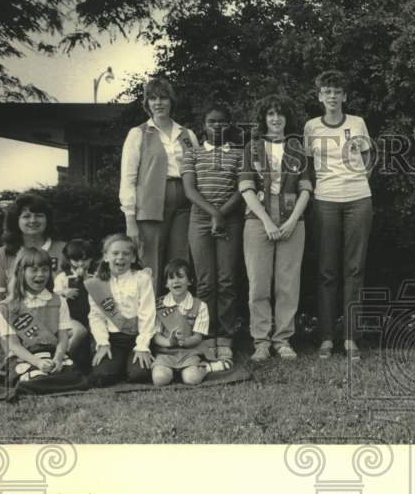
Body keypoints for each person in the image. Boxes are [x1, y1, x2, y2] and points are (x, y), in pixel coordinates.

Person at [303, 70, 373, 360]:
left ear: (345, 96)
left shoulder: (357, 123)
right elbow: (307, 166)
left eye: (337, 91)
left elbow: (369, 158)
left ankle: (351, 338)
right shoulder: (310, 127)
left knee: (354, 270)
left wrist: (359, 180)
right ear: (320, 96)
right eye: (327, 91)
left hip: (358, 199)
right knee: (327, 271)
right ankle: (327, 338)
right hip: (325, 201)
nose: (332, 96)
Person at [240, 94, 313, 361]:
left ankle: (283, 340)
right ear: (264, 118)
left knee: (288, 284)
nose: (275, 119)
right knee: (258, 284)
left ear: (286, 118)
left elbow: (306, 188)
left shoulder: (297, 148)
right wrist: (267, 221)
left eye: (280, 114)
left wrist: (292, 220)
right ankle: (261, 341)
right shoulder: (252, 147)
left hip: (293, 221)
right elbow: (246, 189)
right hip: (258, 222)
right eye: (270, 114)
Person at [119, 77, 199, 291]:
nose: (158, 103)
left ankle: (178, 317)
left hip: (185, 202)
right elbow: (128, 178)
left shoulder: (187, 134)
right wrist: (130, 219)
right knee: (150, 263)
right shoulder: (138, 134)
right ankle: (149, 319)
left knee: (180, 262)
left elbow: (198, 170)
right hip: (151, 204)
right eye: (153, 98)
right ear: (147, 103)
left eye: (163, 97)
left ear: (171, 101)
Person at [181, 103, 243, 360]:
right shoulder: (192, 153)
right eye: (211, 122)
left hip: (231, 220)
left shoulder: (239, 154)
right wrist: (213, 214)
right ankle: (207, 336)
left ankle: (226, 336)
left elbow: (242, 189)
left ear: (229, 125)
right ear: (203, 126)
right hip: (200, 220)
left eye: (222, 122)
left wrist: (222, 214)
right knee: (205, 282)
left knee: (227, 280)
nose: (217, 126)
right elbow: (189, 190)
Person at [0, 247, 88, 395]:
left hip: (51, 353)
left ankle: (39, 383)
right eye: (34, 270)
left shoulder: (59, 301)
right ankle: (35, 381)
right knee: (29, 373)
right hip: (25, 356)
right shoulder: (9, 307)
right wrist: (37, 363)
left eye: (45, 270)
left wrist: (58, 358)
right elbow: (14, 346)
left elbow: (63, 338)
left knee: (74, 375)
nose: (40, 274)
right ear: (21, 272)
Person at [86, 234, 156, 387]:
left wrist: (143, 346)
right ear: (105, 257)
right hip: (113, 340)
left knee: (140, 375)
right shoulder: (97, 284)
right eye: (115, 253)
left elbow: (148, 314)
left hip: (136, 337)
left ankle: (129, 365)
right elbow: (96, 317)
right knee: (101, 377)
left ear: (133, 258)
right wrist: (103, 343)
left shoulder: (142, 279)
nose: (120, 258)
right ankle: (119, 365)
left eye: (126, 254)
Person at [0, 193, 66, 312]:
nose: (33, 220)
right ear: (15, 221)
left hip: (64, 319)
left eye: (39, 215)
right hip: (22, 323)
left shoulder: (64, 250)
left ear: (47, 219)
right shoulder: (2, 254)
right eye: (26, 216)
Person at [151, 259, 214, 386]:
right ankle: (170, 371)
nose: (176, 281)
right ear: (166, 284)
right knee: (160, 379)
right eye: (171, 278)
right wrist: (169, 342)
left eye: (180, 277)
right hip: (165, 352)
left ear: (190, 281)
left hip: (189, 352)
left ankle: (207, 368)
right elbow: (156, 336)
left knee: (192, 379)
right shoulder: (158, 305)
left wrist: (184, 342)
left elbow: (198, 337)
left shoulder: (200, 306)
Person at [52, 238, 98, 368]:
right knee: (79, 333)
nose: (81, 264)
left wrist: (86, 280)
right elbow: (53, 295)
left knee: (91, 343)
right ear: (69, 259)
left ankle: (93, 363)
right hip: (71, 318)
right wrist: (64, 292)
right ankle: (63, 356)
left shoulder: (95, 275)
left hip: (92, 316)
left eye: (85, 260)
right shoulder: (63, 277)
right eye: (76, 260)